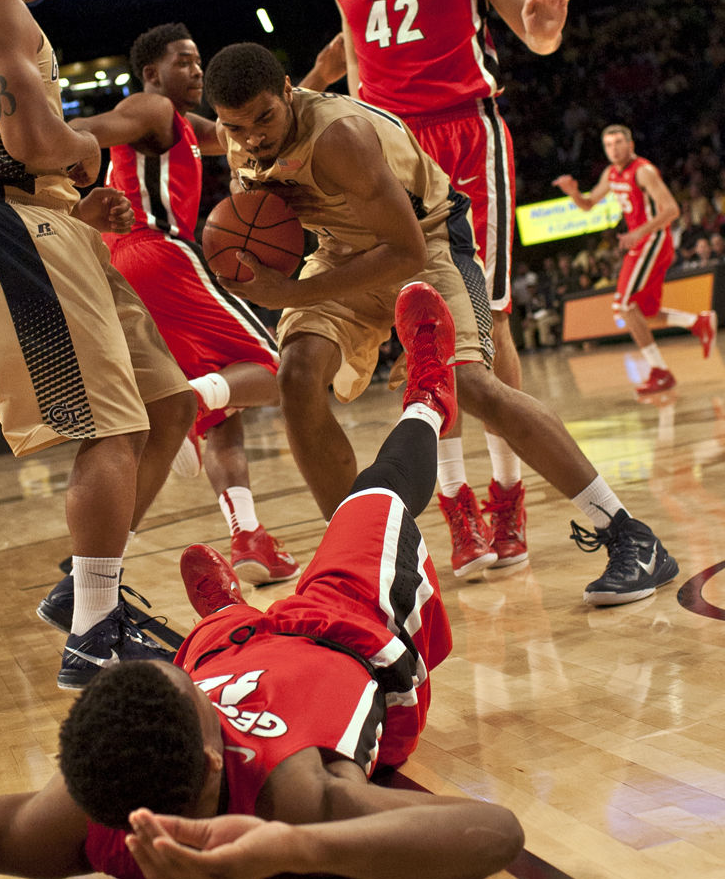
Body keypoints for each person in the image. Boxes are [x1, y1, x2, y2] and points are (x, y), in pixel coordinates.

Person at [0, 284, 525, 879]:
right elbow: (495, 835)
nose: (201, 694)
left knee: (207, 644)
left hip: (235, 650)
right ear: (217, 758)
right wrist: (292, 850)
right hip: (339, 632)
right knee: (372, 500)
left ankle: (220, 616)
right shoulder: (297, 799)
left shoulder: (87, 815)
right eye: (197, 697)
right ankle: (429, 402)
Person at [202, 42, 677, 607]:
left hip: (427, 244)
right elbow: (266, 216)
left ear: (287, 89)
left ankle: (628, 533)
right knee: (297, 376)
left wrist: (292, 291)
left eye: (264, 118)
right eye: (237, 126)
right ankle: (366, 563)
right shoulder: (241, 146)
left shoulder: (339, 136)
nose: (252, 136)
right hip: (340, 253)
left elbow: (404, 251)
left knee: (471, 385)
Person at [0, 0, 196, 688]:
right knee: (110, 431)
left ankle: (87, 592)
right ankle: (93, 634)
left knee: (166, 403)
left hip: (49, 223)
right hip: (10, 233)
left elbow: (26, 151)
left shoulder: (1, 21)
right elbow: (34, 139)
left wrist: (79, 195)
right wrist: (98, 141)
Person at [305, 0, 570, 579]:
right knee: (419, 324)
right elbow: (344, 58)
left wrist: (544, 31)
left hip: (465, 136)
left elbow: (531, 27)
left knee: (485, 321)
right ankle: (457, 508)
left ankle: (509, 499)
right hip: (388, 150)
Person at [74, 22, 297, 586]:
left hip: (119, 267)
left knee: (229, 411)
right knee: (282, 371)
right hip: (156, 252)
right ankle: (186, 404)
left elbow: (242, 131)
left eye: (200, 62)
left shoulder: (187, 127)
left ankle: (248, 536)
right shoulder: (149, 106)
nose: (198, 71)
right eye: (186, 61)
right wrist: (56, 136)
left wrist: (315, 79)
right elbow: (93, 128)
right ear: (152, 73)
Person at [553, 125, 718, 394]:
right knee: (643, 313)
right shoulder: (611, 173)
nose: (614, 149)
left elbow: (672, 210)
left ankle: (660, 371)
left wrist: (638, 232)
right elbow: (589, 203)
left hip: (653, 240)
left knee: (625, 305)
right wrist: (572, 192)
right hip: (639, 244)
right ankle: (697, 323)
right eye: (608, 145)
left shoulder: (643, 171)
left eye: (619, 143)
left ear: (630, 145)